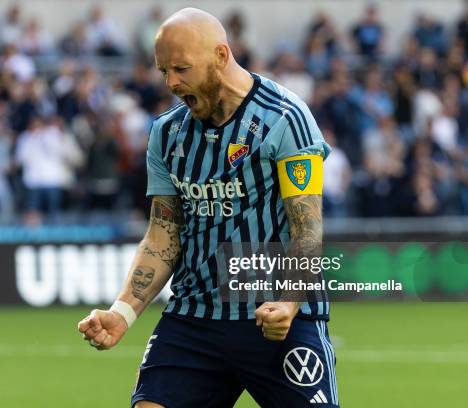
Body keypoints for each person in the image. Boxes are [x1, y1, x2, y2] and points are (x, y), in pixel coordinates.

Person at [78, 8, 338, 408]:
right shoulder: (167, 133)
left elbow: (307, 230)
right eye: (164, 71)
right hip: (193, 318)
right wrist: (122, 313)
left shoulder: (285, 118)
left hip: (276, 320)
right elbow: (163, 235)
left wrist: (288, 302)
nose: (171, 82)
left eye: (181, 68)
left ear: (220, 55)